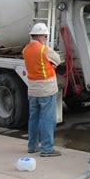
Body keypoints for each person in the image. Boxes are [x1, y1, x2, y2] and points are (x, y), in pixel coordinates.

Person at [23, 23, 62, 157]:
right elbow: (58, 60)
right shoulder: (44, 50)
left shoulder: (25, 50)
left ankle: (32, 146)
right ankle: (47, 149)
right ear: (39, 36)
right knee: (47, 119)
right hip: (46, 89)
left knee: (33, 118)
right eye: (45, 36)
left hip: (33, 89)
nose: (45, 38)